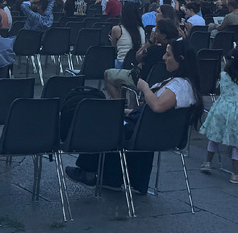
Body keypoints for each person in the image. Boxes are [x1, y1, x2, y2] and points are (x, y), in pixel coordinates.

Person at [66, 37, 200, 191]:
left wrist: (144, 87)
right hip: (153, 130)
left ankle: (88, 171)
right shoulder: (183, 84)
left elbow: (156, 106)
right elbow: (151, 112)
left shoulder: (180, 86)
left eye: (168, 55)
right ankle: (117, 179)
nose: (164, 58)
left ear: (181, 60)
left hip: (148, 133)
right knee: (108, 116)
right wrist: (125, 111)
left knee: (103, 126)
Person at [199, 51, 238, 184]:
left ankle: (207, 162)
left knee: (214, 136)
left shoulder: (223, 75)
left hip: (221, 108)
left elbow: (221, 90)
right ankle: (236, 174)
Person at [110, 1, 143, 70]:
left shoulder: (117, 29)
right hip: (137, 65)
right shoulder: (141, 29)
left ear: (122, 13)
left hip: (122, 64)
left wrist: (112, 41)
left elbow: (115, 49)